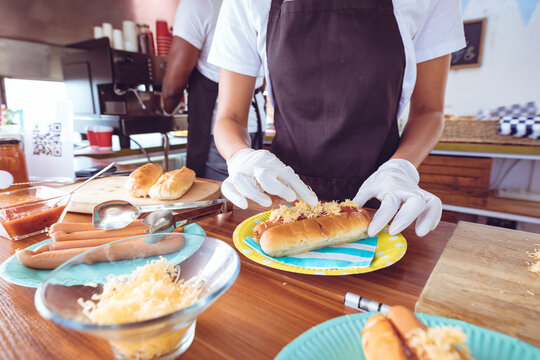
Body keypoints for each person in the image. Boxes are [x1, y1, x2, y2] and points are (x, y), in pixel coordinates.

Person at [208, 0, 466, 237]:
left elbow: (428, 111)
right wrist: (241, 156)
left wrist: (401, 169)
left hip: (382, 196)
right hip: (284, 196)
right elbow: (230, 116)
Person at [161, 0, 266, 181]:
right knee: (254, 200)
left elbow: (173, 86)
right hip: (256, 125)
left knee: (218, 202)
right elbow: (263, 81)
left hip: (219, 136)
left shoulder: (196, 4)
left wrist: (165, 109)